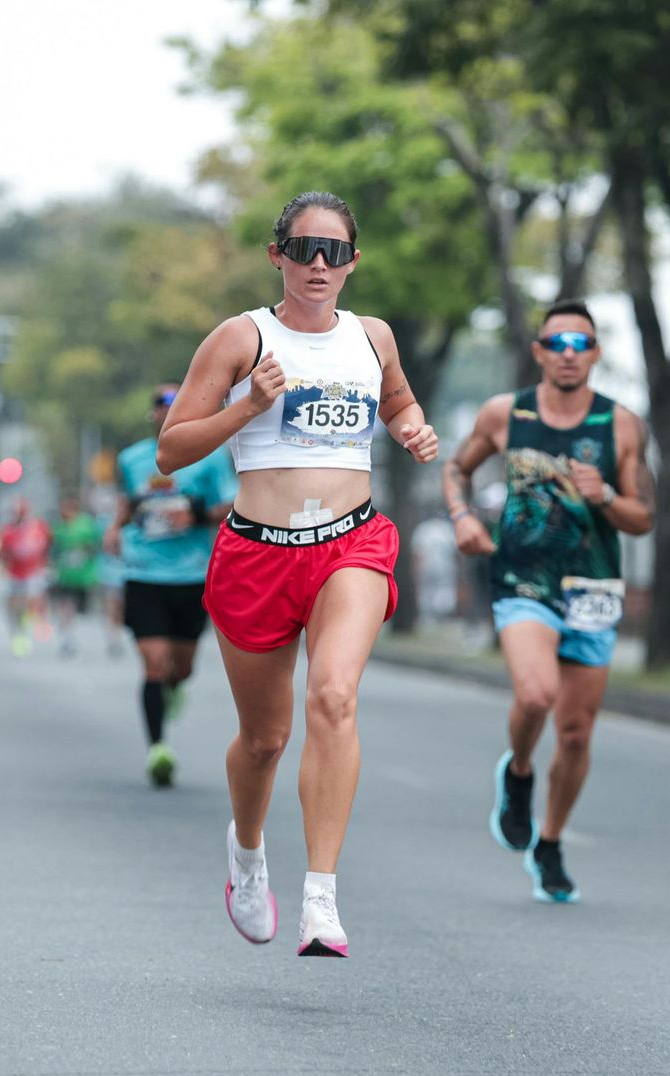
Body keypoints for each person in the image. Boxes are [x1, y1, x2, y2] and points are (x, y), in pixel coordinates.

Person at [158, 191, 439, 957]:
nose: (320, 265)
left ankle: (321, 899)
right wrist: (247, 405)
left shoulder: (372, 337)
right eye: (305, 249)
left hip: (351, 542)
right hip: (257, 549)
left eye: (336, 251)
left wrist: (410, 428)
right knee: (263, 740)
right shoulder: (240, 337)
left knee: (335, 697)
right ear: (277, 254)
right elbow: (172, 450)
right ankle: (247, 856)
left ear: (353, 261)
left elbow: (400, 402)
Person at [443, 299, 656, 904]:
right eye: (556, 344)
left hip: (591, 587)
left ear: (595, 353)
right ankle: (517, 773)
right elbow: (456, 470)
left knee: (577, 733)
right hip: (523, 579)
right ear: (538, 351)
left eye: (580, 344)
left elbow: (642, 518)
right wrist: (461, 516)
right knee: (535, 693)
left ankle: (552, 841)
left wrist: (607, 496)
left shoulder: (620, 425)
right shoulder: (504, 414)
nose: (568, 355)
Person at [107, 385, 238, 788]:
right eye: (163, 409)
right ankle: (158, 748)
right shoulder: (131, 459)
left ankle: (174, 687)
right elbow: (129, 503)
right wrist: (115, 528)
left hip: (193, 575)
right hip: (144, 572)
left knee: (181, 668)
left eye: (177, 407)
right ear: (153, 416)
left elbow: (233, 504)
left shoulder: (211, 457)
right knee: (154, 663)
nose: (169, 415)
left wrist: (194, 515)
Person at [49, 493, 104, 656]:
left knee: (85, 611)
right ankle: (68, 639)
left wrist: (84, 549)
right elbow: (54, 550)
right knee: (66, 607)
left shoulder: (87, 525)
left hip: (85, 577)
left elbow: (96, 546)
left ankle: (93, 640)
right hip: (66, 577)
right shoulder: (59, 528)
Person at [0, 497, 52, 656]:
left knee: (29, 602)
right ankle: (16, 629)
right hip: (13, 573)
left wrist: (46, 565)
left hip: (32, 573)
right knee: (12, 606)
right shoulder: (7, 531)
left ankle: (27, 628)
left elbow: (48, 546)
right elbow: (1, 554)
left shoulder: (39, 528)